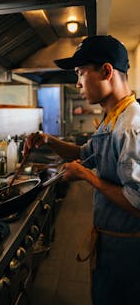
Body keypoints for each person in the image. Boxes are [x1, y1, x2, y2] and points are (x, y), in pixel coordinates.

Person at [24, 35, 140, 305]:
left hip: (129, 251)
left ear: (106, 71)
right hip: (110, 242)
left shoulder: (131, 127)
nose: (77, 83)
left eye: (80, 73)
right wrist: (48, 140)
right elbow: (86, 154)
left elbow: (137, 204)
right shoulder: (112, 119)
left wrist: (86, 176)